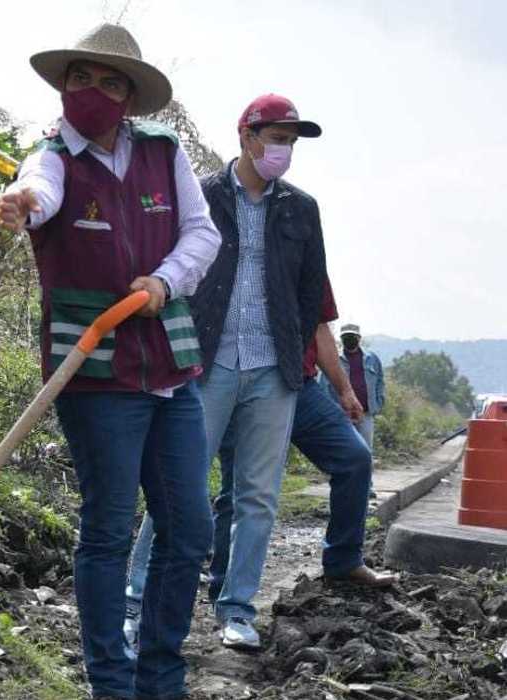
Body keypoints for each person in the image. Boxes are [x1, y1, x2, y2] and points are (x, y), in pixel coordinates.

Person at [0, 23, 220, 700]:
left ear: (129, 96)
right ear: (65, 86)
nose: (95, 92)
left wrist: (163, 281)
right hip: (93, 373)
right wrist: (24, 204)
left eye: (111, 82)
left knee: (189, 531)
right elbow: (41, 192)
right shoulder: (49, 158)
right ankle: (111, 683)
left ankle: (160, 677)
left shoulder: (162, 151)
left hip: (169, 369)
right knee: (107, 528)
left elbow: (201, 233)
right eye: (82, 79)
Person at [124, 284, 399, 654]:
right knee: (220, 487)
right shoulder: (222, 237)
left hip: (292, 382)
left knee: (353, 457)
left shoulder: (300, 246)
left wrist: (345, 390)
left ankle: (341, 559)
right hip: (224, 373)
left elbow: (320, 327)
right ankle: (168, 602)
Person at [188, 93, 328, 649]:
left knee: (258, 497)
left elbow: (309, 290)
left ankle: (237, 609)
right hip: (207, 363)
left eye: (291, 141)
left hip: (273, 371)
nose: (283, 150)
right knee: (179, 487)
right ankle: (140, 599)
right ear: (246, 135)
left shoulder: (302, 209)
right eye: (276, 138)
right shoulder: (200, 196)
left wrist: (298, 358)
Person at [328, 323, 386, 451]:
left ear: (359, 338)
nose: (349, 339)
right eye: (346, 337)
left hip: (366, 414)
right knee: (344, 450)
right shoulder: (334, 360)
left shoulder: (372, 359)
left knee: (365, 450)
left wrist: (379, 402)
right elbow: (324, 386)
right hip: (343, 414)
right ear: (341, 339)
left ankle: (364, 472)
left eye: (352, 336)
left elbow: (380, 382)